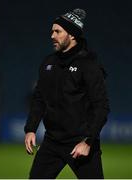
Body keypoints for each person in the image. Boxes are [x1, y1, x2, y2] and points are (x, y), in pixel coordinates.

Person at [24, 8, 110, 179]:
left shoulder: (89, 65)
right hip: (52, 142)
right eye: (51, 31)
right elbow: (39, 98)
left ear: (71, 35)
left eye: (57, 31)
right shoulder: (48, 63)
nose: (52, 35)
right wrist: (31, 129)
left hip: (80, 143)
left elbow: (101, 107)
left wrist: (88, 142)